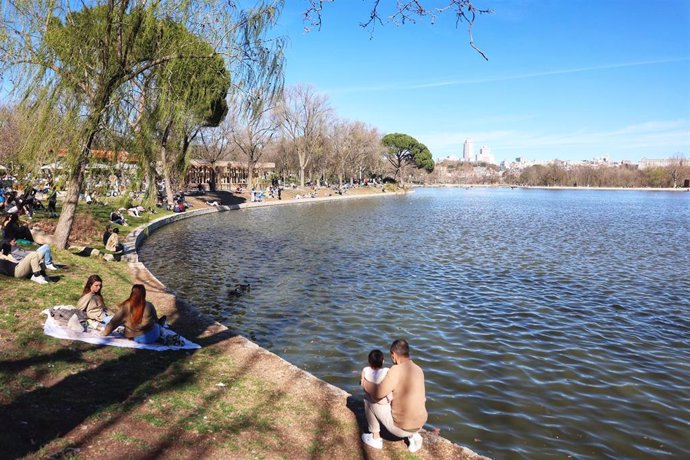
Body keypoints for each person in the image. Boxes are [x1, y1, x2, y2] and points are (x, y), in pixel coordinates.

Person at [360, 339, 427, 453]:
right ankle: (414, 437)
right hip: (420, 423)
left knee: (368, 400)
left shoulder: (396, 370)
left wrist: (365, 383)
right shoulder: (418, 369)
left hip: (401, 429)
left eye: (391, 356)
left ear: (394, 355)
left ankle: (375, 438)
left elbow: (378, 392)